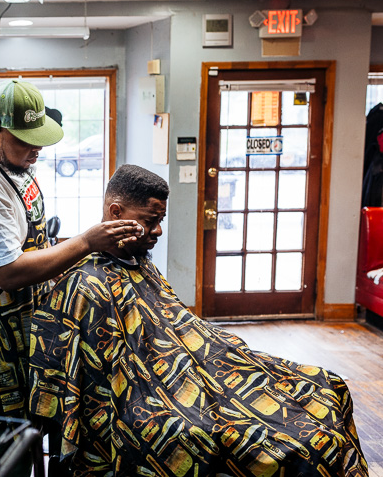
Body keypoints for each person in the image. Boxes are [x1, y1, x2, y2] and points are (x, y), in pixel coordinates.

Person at [29, 165, 368, 476]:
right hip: (153, 401)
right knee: (307, 443)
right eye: (149, 220)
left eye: (161, 219)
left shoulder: (138, 261)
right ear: (115, 213)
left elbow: (175, 326)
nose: (158, 230)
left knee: (327, 385)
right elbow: (88, 384)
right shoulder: (84, 284)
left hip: (201, 370)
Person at [0, 79, 142, 476]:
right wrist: (86, 242)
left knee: (20, 433)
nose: (38, 150)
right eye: (27, 141)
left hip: (7, 321)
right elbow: (9, 272)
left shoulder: (10, 161)